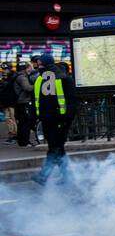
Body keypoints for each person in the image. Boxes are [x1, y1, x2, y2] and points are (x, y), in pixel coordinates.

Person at [32, 54, 76, 186]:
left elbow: (71, 101)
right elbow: (37, 100)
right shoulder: (40, 79)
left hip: (59, 120)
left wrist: (66, 118)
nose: (38, 66)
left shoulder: (62, 78)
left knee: (55, 148)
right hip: (48, 119)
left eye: (40, 64)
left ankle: (44, 175)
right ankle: (67, 176)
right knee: (57, 148)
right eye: (38, 64)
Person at [14, 61, 36, 147]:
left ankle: (22, 142)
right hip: (24, 102)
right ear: (27, 68)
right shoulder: (22, 77)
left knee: (22, 122)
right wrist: (37, 85)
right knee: (26, 122)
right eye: (30, 67)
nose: (31, 69)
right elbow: (28, 88)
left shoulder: (18, 75)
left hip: (20, 102)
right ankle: (25, 142)